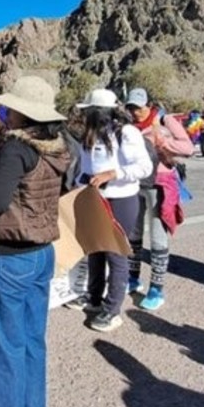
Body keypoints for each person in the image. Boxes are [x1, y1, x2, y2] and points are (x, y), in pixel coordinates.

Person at [0, 76, 70, 407]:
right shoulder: (58, 148)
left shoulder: (14, 149)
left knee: (1, 345)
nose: (6, 112)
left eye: (10, 108)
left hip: (11, 255)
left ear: (23, 113)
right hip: (43, 252)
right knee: (31, 341)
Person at [75, 88, 153, 331]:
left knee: (115, 253)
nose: (84, 115)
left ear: (99, 112)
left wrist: (114, 174)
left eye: (88, 111)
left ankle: (112, 310)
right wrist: (81, 184)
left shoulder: (126, 133)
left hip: (120, 200)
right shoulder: (89, 134)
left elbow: (144, 167)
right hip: (95, 198)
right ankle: (94, 297)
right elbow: (84, 166)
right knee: (95, 249)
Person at [123, 87, 194, 311]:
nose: (135, 112)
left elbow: (188, 147)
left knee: (157, 238)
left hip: (160, 183)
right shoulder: (129, 125)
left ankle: (156, 288)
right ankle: (133, 278)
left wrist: (161, 142)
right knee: (133, 234)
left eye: (139, 107)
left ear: (148, 104)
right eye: (131, 107)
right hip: (136, 183)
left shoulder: (165, 120)